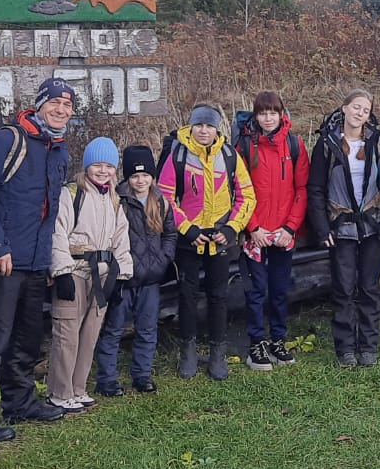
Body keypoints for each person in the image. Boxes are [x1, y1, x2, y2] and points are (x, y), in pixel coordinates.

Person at [0, 77, 74, 442]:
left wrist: (50, 261)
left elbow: (50, 210)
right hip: (3, 261)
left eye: (68, 105)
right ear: (39, 105)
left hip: (36, 262)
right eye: (54, 102)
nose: (61, 110)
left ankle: (19, 402)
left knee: (26, 339)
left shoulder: (59, 150)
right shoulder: (10, 139)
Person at [307, 89, 380, 368]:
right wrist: (321, 227)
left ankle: (369, 346)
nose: (360, 113)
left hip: (372, 226)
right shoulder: (326, 144)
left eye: (365, 109)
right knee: (343, 289)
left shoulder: (377, 141)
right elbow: (316, 189)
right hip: (341, 228)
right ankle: (346, 348)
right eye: (356, 107)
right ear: (344, 107)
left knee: (369, 287)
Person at [159, 103, 255, 381]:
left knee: (218, 296)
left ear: (217, 128)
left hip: (221, 238)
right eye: (199, 125)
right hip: (189, 239)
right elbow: (163, 196)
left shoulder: (229, 155)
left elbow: (246, 196)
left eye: (209, 125)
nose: (204, 131)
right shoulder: (177, 153)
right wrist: (187, 228)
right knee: (187, 296)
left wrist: (233, 227)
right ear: (191, 126)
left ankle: (217, 352)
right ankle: (187, 350)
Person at [46, 138, 133, 411]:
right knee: (67, 333)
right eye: (98, 165)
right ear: (87, 166)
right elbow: (57, 234)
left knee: (90, 333)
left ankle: (78, 388)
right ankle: (60, 392)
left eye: (108, 166)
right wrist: (60, 272)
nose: (103, 171)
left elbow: (121, 240)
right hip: (75, 271)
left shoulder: (115, 199)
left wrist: (122, 276)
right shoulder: (71, 194)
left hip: (103, 275)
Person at [232, 91, 309, 372]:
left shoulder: (294, 145)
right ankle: (256, 344)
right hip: (256, 233)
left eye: (272, 113)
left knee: (279, 290)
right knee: (256, 292)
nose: (267, 118)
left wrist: (290, 227)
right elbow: (237, 190)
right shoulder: (244, 147)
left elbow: (302, 190)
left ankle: (278, 339)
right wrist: (252, 228)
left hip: (283, 233)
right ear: (255, 115)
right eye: (262, 113)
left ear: (281, 114)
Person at [95, 145, 176, 395]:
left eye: (145, 175)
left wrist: (164, 259)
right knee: (113, 329)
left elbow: (170, 233)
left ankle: (142, 375)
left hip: (151, 279)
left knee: (148, 329)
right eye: (135, 176)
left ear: (152, 177)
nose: (140, 181)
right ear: (127, 177)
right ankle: (106, 379)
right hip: (123, 279)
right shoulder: (116, 200)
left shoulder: (160, 200)